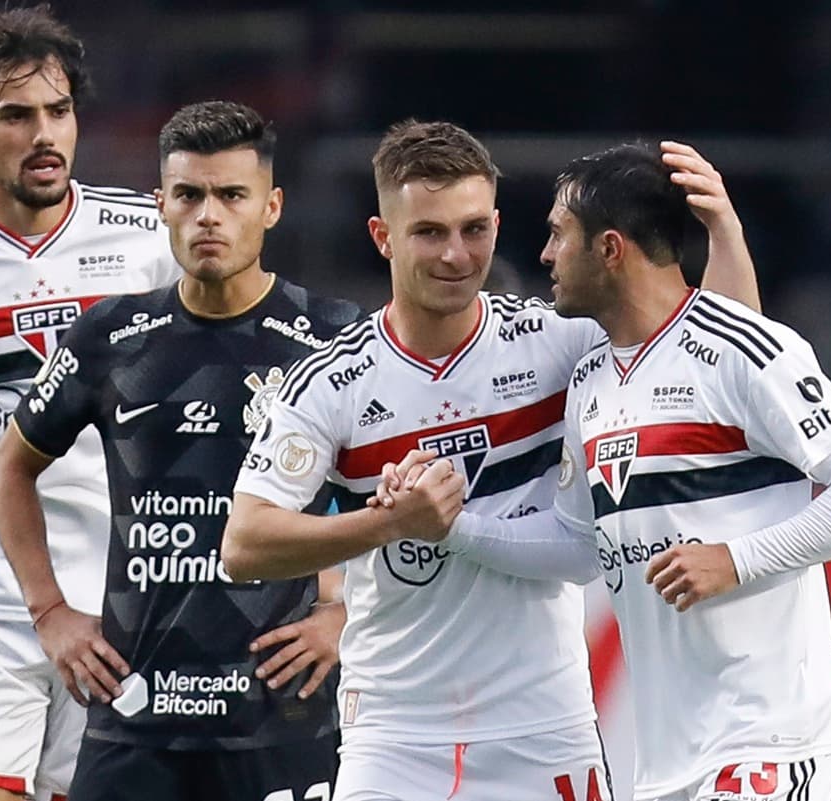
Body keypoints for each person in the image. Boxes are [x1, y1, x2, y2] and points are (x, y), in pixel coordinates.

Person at [0, 8, 319, 800]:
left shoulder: (147, 240)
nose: (43, 133)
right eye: (15, 115)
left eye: (58, 110)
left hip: (128, 607)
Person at [221, 120, 760, 801]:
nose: (456, 254)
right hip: (392, 734)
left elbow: (725, 364)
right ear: (383, 237)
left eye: (474, 229)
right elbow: (243, 544)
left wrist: (725, 231)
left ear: (497, 226)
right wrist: (389, 524)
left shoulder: (554, 341)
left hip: (544, 725)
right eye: (429, 232)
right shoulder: (332, 382)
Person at [401, 142, 831, 801]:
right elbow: (577, 544)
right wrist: (451, 528)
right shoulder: (591, 380)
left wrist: (737, 559)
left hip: (765, 737)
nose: (546, 255)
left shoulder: (743, 349)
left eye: (559, 234)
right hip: (663, 759)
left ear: (610, 248)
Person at [0, 100, 361, 801]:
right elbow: (9, 467)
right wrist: (49, 612)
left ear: (272, 207)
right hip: (134, 719)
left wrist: (346, 613)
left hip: (280, 719)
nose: (208, 215)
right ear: (161, 204)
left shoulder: (334, 338)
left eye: (232, 195)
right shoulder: (110, 336)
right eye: (189, 194)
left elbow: (390, 495)